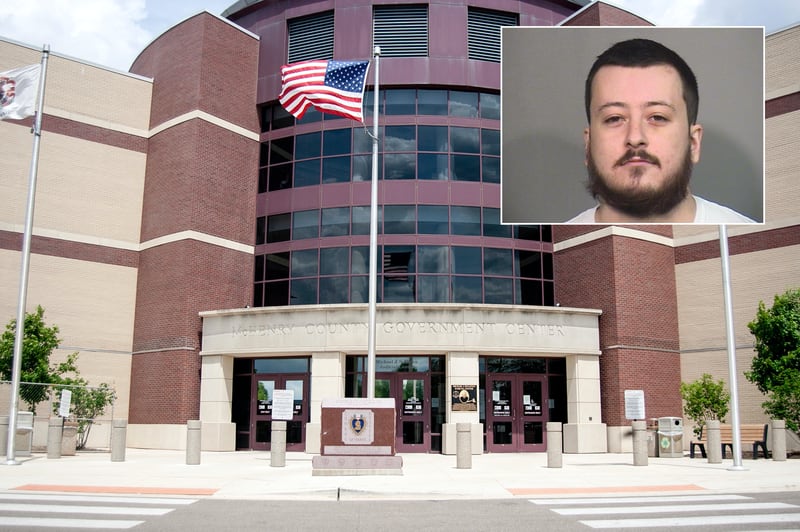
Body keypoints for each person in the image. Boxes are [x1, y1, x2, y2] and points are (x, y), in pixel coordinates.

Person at [567, 38, 755, 224]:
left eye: (657, 117)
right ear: (588, 144)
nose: (635, 137)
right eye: (614, 118)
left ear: (693, 144)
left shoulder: (744, 230)